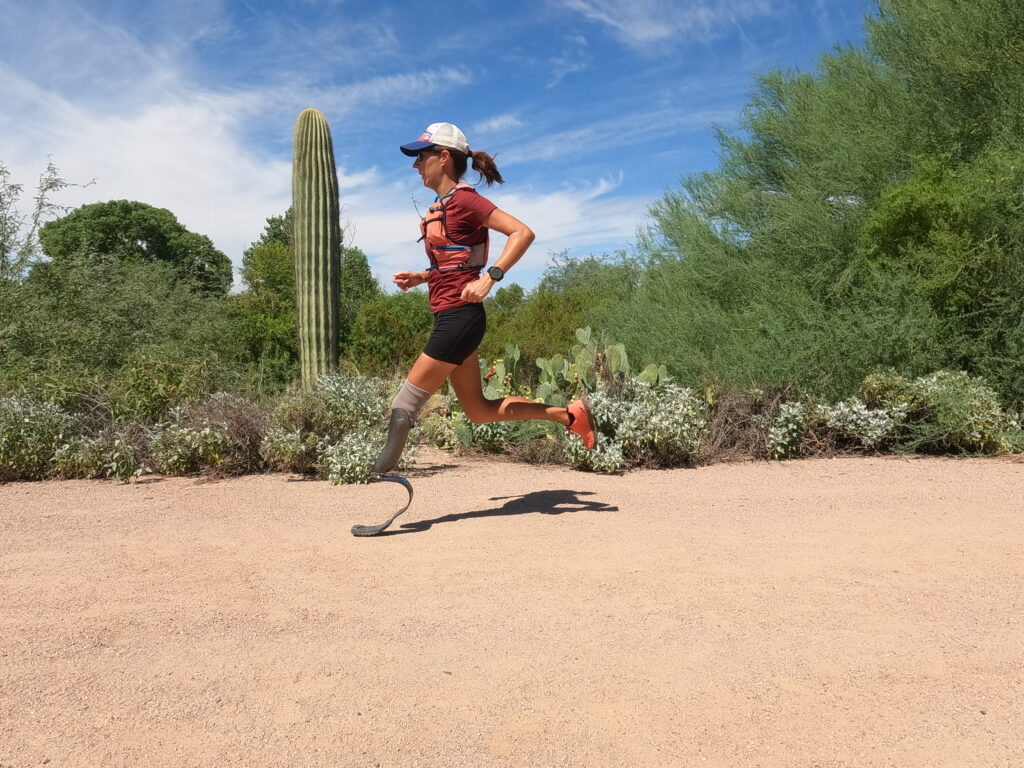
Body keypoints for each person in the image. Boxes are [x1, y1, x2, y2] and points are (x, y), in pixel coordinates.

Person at [372, 122, 597, 475]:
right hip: (453, 316)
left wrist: (490, 278)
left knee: (404, 407)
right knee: (478, 412)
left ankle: (376, 480)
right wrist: (423, 276)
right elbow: (459, 262)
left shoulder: (465, 200)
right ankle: (569, 415)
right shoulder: (443, 205)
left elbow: (522, 232)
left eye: (421, 156)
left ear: (443, 158)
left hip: (460, 318)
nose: (415, 165)